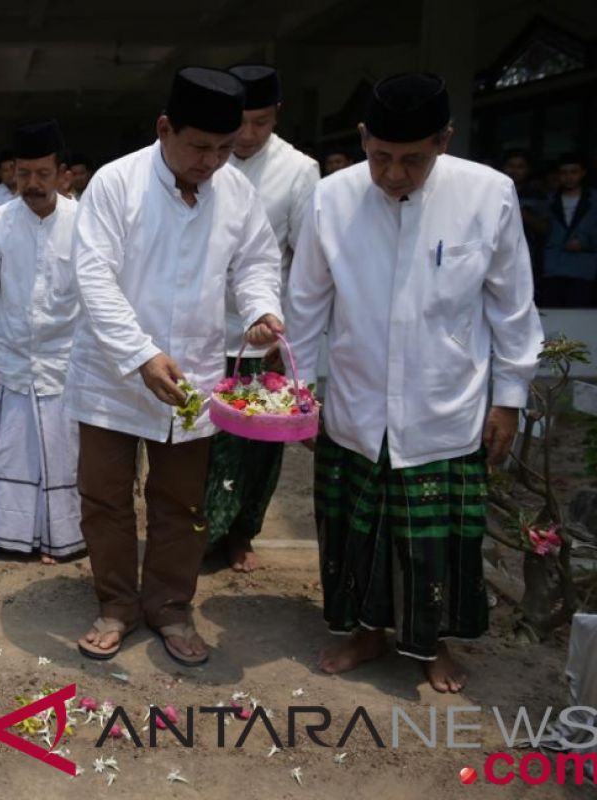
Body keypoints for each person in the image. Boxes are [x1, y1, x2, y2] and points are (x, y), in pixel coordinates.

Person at [286, 73, 543, 693]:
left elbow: (513, 308)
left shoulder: (489, 195)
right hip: (357, 399)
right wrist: (294, 391)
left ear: (444, 141)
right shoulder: (332, 197)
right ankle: (366, 634)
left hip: (444, 401)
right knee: (355, 531)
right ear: (363, 138)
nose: (394, 174)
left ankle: (433, 645)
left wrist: (509, 400)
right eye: (381, 156)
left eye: (414, 160)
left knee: (440, 542)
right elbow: (305, 304)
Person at [67, 67, 283, 667]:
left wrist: (263, 310)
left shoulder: (237, 191)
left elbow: (257, 262)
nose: (211, 161)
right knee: (105, 497)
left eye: (224, 148)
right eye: (198, 146)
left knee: (183, 503)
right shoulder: (117, 184)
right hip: (113, 374)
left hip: (192, 377)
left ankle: (169, 607)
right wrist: (139, 353)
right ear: (164, 128)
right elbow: (93, 279)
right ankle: (115, 604)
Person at [203, 64, 320, 573]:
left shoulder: (298, 171)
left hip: (262, 336)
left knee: (257, 448)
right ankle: (200, 532)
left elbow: (308, 262)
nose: (248, 136)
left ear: (278, 116)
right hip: (201, 333)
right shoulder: (205, 158)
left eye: (262, 122)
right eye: (241, 123)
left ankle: (241, 532)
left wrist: (287, 328)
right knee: (201, 444)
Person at [0, 120, 84, 565]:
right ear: (12, 173)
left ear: (63, 175)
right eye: (24, 174)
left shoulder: (84, 221)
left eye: (43, 174)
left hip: (66, 362)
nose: (32, 184)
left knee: (63, 453)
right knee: (10, 451)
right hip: (13, 359)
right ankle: (3, 533)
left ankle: (63, 538)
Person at [542, 153, 597, 308]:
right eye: (564, 173)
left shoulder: (594, 200)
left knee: (579, 319)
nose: (569, 177)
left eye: (574, 172)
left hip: (584, 270)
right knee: (554, 317)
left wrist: (585, 242)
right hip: (553, 268)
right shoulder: (549, 200)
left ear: (583, 173)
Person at [502, 149, 550, 292]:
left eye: (520, 166)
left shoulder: (537, 195)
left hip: (528, 256)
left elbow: (545, 228)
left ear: (528, 170)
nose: (515, 170)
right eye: (511, 165)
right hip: (498, 255)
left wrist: (524, 216)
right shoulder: (494, 190)